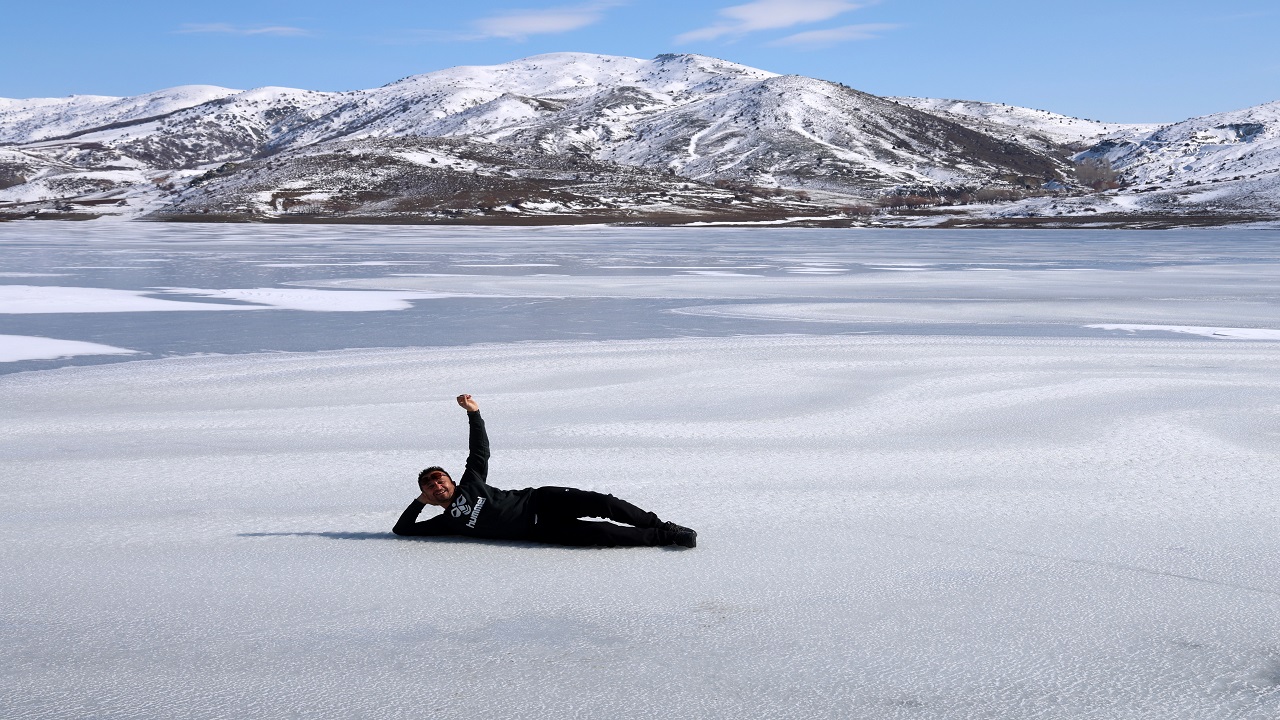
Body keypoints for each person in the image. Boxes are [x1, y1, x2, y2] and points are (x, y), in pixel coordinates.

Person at [392, 394, 697, 548]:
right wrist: (419, 502)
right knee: (602, 533)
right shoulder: (447, 524)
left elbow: (479, 451)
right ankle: (664, 539)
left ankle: (664, 525)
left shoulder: (471, 483)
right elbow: (401, 530)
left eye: (438, 477)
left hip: (540, 501)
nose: (435, 484)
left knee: (605, 503)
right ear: (428, 494)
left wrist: (475, 414)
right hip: (539, 530)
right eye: (429, 485)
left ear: (451, 479)